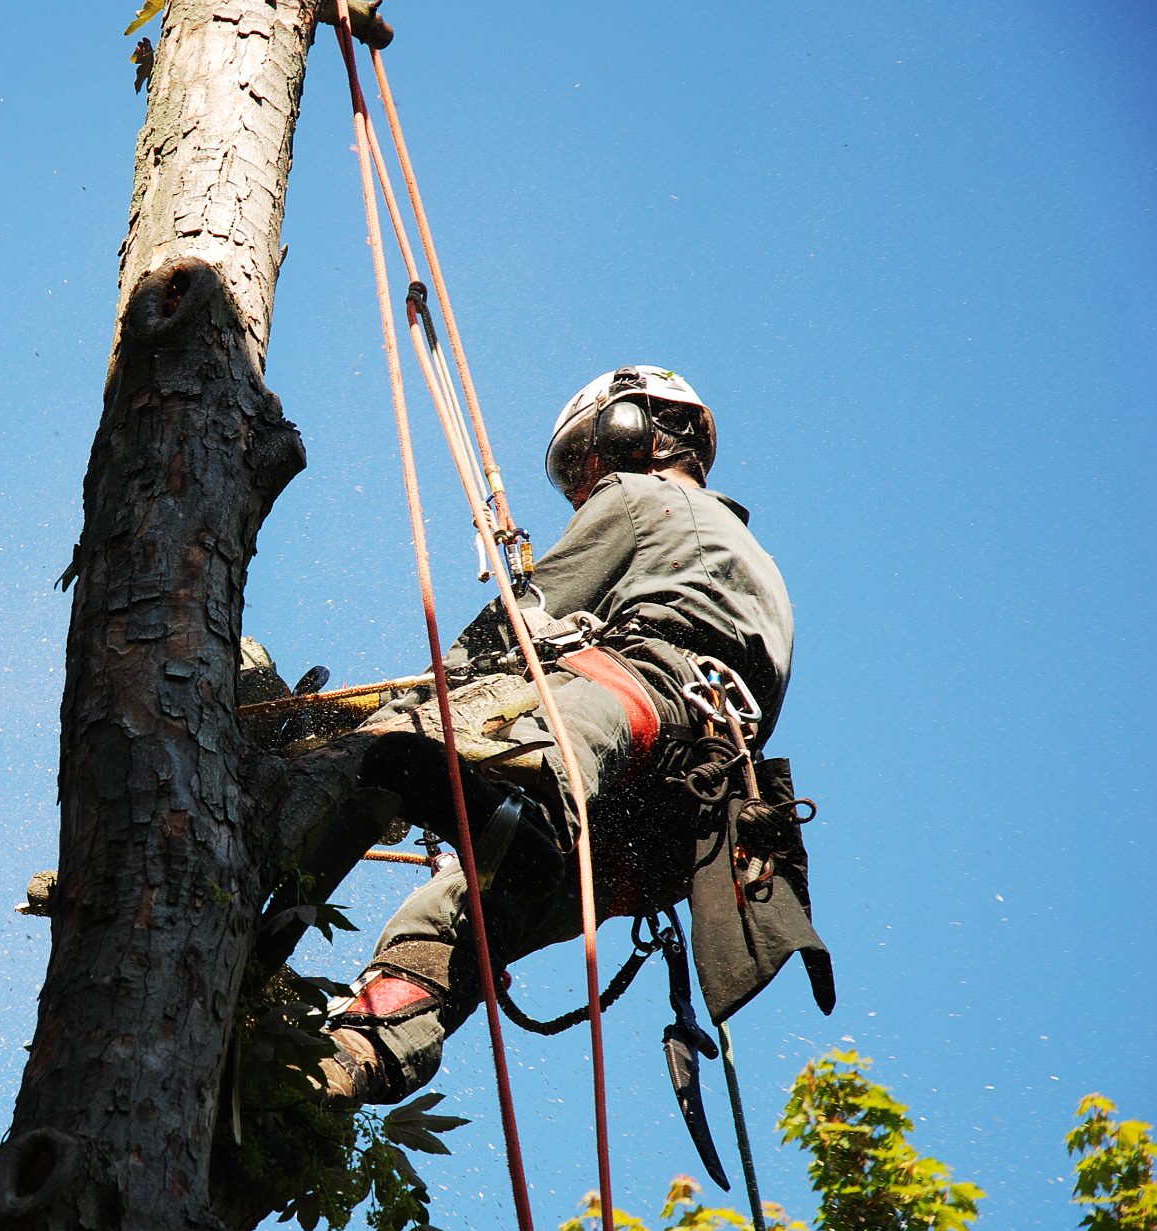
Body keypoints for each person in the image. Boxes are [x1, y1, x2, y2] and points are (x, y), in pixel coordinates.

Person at [258, 366, 800, 1105]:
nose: (584, 481)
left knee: (409, 746)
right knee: (456, 918)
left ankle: (251, 838)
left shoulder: (637, 497)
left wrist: (374, 717)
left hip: (627, 705)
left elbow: (519, 628)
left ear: (642, 431)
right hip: (674, 830)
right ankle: (350, 1060)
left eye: (588, 454)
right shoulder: (750, 556)